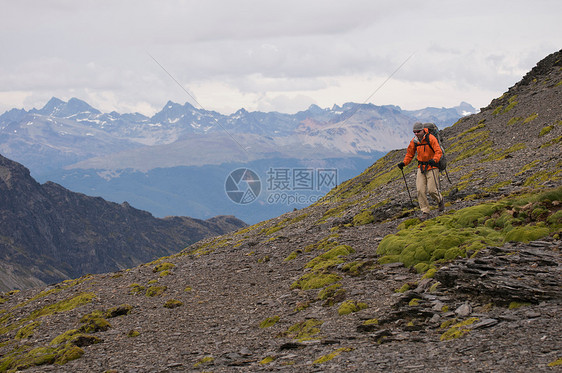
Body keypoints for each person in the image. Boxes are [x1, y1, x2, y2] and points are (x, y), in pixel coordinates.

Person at [397, 122, 444, 220]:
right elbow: (410, 154)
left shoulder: (431, 138)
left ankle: (440, 200)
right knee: (420, 190)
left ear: (423, 130)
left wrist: (434, 160)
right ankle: (425, 211)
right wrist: (404, 163)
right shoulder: (414, 141)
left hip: (432, 166)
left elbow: (438, 151)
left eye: (418, 131)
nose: (416, 134)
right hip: (421, 167)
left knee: (432, 190)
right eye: (414, 132)